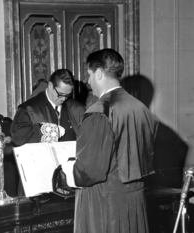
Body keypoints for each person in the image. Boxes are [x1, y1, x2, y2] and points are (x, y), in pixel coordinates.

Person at [61, 48, 158, 233]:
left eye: (89, 75)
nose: (88, 81)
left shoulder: (100, 111)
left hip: (104, 202)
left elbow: (90, 171)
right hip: (134, 199)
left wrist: (67, 169)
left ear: (98, 73)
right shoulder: (141, 109)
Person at [11, 69, 85, 145]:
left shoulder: (77, 108)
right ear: (50, 86)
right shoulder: (28, 109)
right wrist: (43, 131)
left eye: (67, 95)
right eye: (60, 94)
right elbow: (17, 138)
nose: (63, 99)